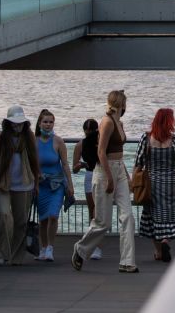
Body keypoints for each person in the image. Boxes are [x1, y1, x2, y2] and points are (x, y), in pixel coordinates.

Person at [72, 90, 138, 273]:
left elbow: (119, 154)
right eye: (124, 103)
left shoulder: (120, 122)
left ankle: (127, 261)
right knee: (103, 222)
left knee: (127, 217)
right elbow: (101, 152)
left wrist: (126, 176)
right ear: (121, 103)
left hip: (119, 169)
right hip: (104, 170)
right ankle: (81, 249)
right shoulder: (107, 122)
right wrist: (110, 177)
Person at [0, 105, 39, 266]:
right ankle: (1, 252)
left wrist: (37, 184)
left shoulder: (29, 137)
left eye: (20, 123)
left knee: (21, 222)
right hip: (3, 183)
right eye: (14, 123)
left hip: (25, 184)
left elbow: (34, 161)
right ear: (8, 123)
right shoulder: (1, 137)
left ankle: (16, 255)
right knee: (5, 216)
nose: (17, 126)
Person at [135, 108, 175, 262]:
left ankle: (158, 251)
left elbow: (138, 164)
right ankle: (166, 241)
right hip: (171, 186)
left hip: (151, 186)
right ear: (170, 122)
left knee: (152, 218)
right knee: (171, 217)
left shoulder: (146, 139)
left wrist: (134, 184)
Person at [34, 109, 74, 262]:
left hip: (57, 184)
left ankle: (50, 247)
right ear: (39, 123)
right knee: (43, 219)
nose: (48, 124)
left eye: (51, 122)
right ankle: (43, 248)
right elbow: (31, 163)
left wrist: (70, 185)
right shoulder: (34, 141)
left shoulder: (58, 141)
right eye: (45, 121)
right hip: (40, 185)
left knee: (53, 215)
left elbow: (65, 164)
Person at [71, 119, 104, 260]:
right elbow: (74, 168)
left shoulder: (101, 143)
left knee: (99, 210)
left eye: (92, 131)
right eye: (87, 131)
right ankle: (93, 245)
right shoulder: (80, 145)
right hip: (90, 175)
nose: (89, 133)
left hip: (100, 174)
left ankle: (94, 243)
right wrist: (82, 165)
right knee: (92, 209)